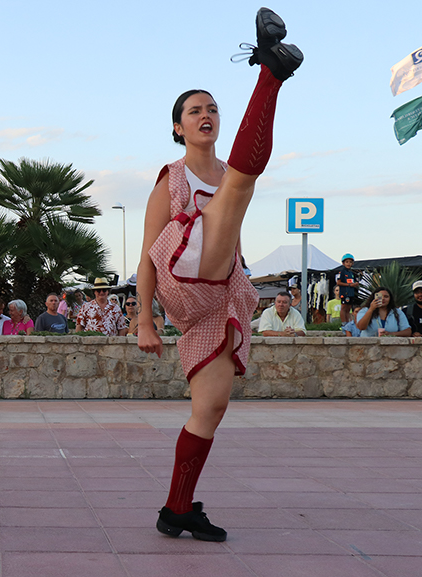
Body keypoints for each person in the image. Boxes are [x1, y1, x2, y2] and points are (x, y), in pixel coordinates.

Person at [136, 8, 302, 542]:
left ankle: (176, 509)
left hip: (220, 292)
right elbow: (146, 257)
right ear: (178, 127)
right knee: (240, 188)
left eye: (211, 108)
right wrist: (144, 320)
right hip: (182, 278)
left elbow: (231, 238)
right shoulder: (171, 177)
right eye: (194, 110)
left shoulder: (227, 172)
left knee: (211, 407)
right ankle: (270, 74)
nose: (205, 114)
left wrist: (241, 273)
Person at [335, 254, 358, 324]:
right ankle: (344, 323)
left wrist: (355, 284)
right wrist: (349, 285)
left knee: (348, 308)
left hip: (351, 293)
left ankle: (348, 323)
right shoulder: (342, 272)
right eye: (347, 262)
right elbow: (338, 282)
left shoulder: (351, 272)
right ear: (343, 263)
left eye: (350, 262)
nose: (348, 264)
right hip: (345, 292)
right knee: (344, 307)